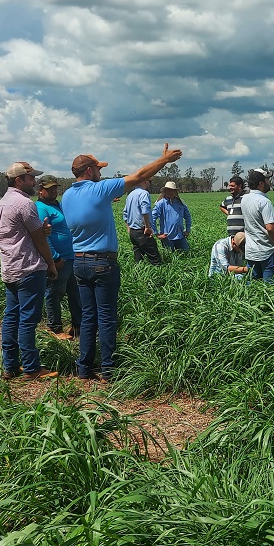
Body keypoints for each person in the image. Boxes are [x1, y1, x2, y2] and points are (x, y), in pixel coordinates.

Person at [59, 143, 183, 381]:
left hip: (79, 262)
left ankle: (84, 368)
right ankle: (108, 370)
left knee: (88, 316)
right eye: (98, 168)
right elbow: (140, 176)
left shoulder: (68, 196)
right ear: (88, 171)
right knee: (106, 316)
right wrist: (164, 160)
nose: (101, 172)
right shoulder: (99, 189)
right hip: (102, 263)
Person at [0, 161, 58, 380]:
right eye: (31, 178)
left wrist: (43, 230)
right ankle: (32, 368)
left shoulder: (4, 202)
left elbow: (25, 232)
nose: (34, 182)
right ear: (19, 180)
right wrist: (50, 263)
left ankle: (9, 366)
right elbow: (38, 238)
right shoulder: (24, 203)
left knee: (11, 317)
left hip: (10, 267)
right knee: (28, 319)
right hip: (28, 267)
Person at [35, 174, 82, 338]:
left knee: (75, 293)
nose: (54, 191)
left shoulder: (58, 205)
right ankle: (55, 328)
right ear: (41, 191)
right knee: (55, 293)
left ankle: (78, 326)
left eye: (55, 188)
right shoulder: (41, 208)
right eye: (49, 189)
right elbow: (42, 236)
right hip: (59, 260)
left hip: (70, 257)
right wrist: (54, 258)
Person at [241, 167, 274, 281]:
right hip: (267, 251)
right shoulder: (264, 202)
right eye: (267, 180)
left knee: (253, 287)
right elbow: (270, 228)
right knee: (271, 288)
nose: (269, 183)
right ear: (261, 183)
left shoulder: (244, 199)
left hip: (251, 251)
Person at [121, 176, 162, 264]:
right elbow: (145, 210)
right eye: (149, 181)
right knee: (155, 257)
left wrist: (128, 228)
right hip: (143, 230)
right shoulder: (144, 193)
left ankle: (137, 274)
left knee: (138, 257)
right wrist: (147, 226)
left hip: (133, 231)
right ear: (144, 181)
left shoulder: (130, 194)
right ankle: (158, 276)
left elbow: (125, 213)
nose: (149, 184)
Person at [152, 181, 192, 252]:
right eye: (168, 190)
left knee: (186, 254)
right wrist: (157, 234)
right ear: (165, 191)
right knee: (170, 258)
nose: (170, 192)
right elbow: (152, 218)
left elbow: (188, 216)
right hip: (167, 237)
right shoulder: (160, 204)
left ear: (175, 192)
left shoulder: (181, 203)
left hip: (180, 236)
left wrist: (188, 230)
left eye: (172, 190)